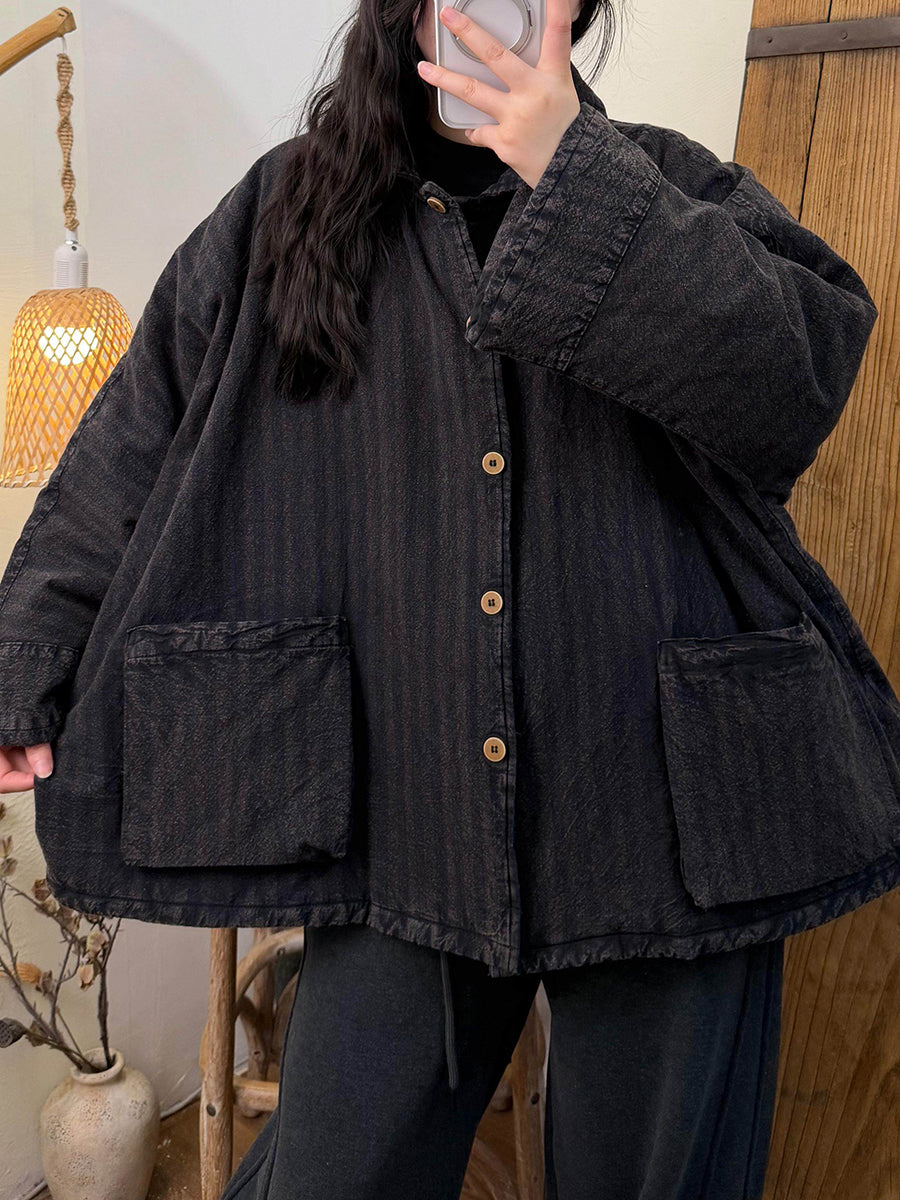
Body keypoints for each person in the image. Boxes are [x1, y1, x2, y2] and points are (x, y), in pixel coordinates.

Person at [1, 1, 894, 1197]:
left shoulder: (667, 184)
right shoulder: (286, 213)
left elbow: (798, 381)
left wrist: (571, 171)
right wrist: (26, 656)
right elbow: (132, 444)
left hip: (667, 818)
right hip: (401, 814)